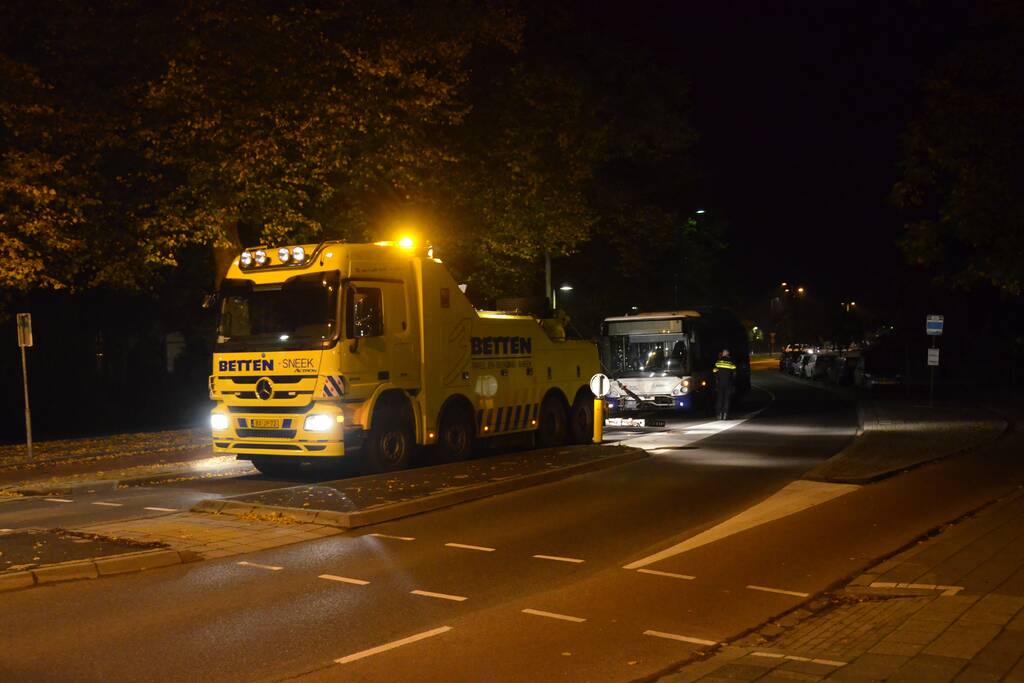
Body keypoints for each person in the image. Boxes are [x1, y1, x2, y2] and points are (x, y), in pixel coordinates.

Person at [713, 349, 737, 420]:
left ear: (723, 354)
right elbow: (735, 373)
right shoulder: (731, 363)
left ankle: (719, 415)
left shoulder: (718, 362)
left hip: (720, 383)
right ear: (728, 354)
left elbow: (714, 371)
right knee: (726, 399)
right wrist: (732, 380)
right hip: (728, 383)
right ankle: (725, 415)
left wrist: (717, 378)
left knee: (720, 399)